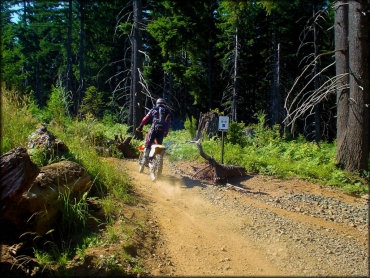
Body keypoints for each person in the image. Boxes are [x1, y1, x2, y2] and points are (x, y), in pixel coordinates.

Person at [136, 98, 171, 165]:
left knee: (148, 144)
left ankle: (145, 159)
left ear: (157, 103)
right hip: (162, 130)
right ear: (164, 104)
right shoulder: (167, 111)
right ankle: (156, 160)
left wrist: (140, 126)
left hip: (153, 129)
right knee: (158, 145)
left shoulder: (154, 109)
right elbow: (168, 123)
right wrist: (166, 132)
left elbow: (146, 118)